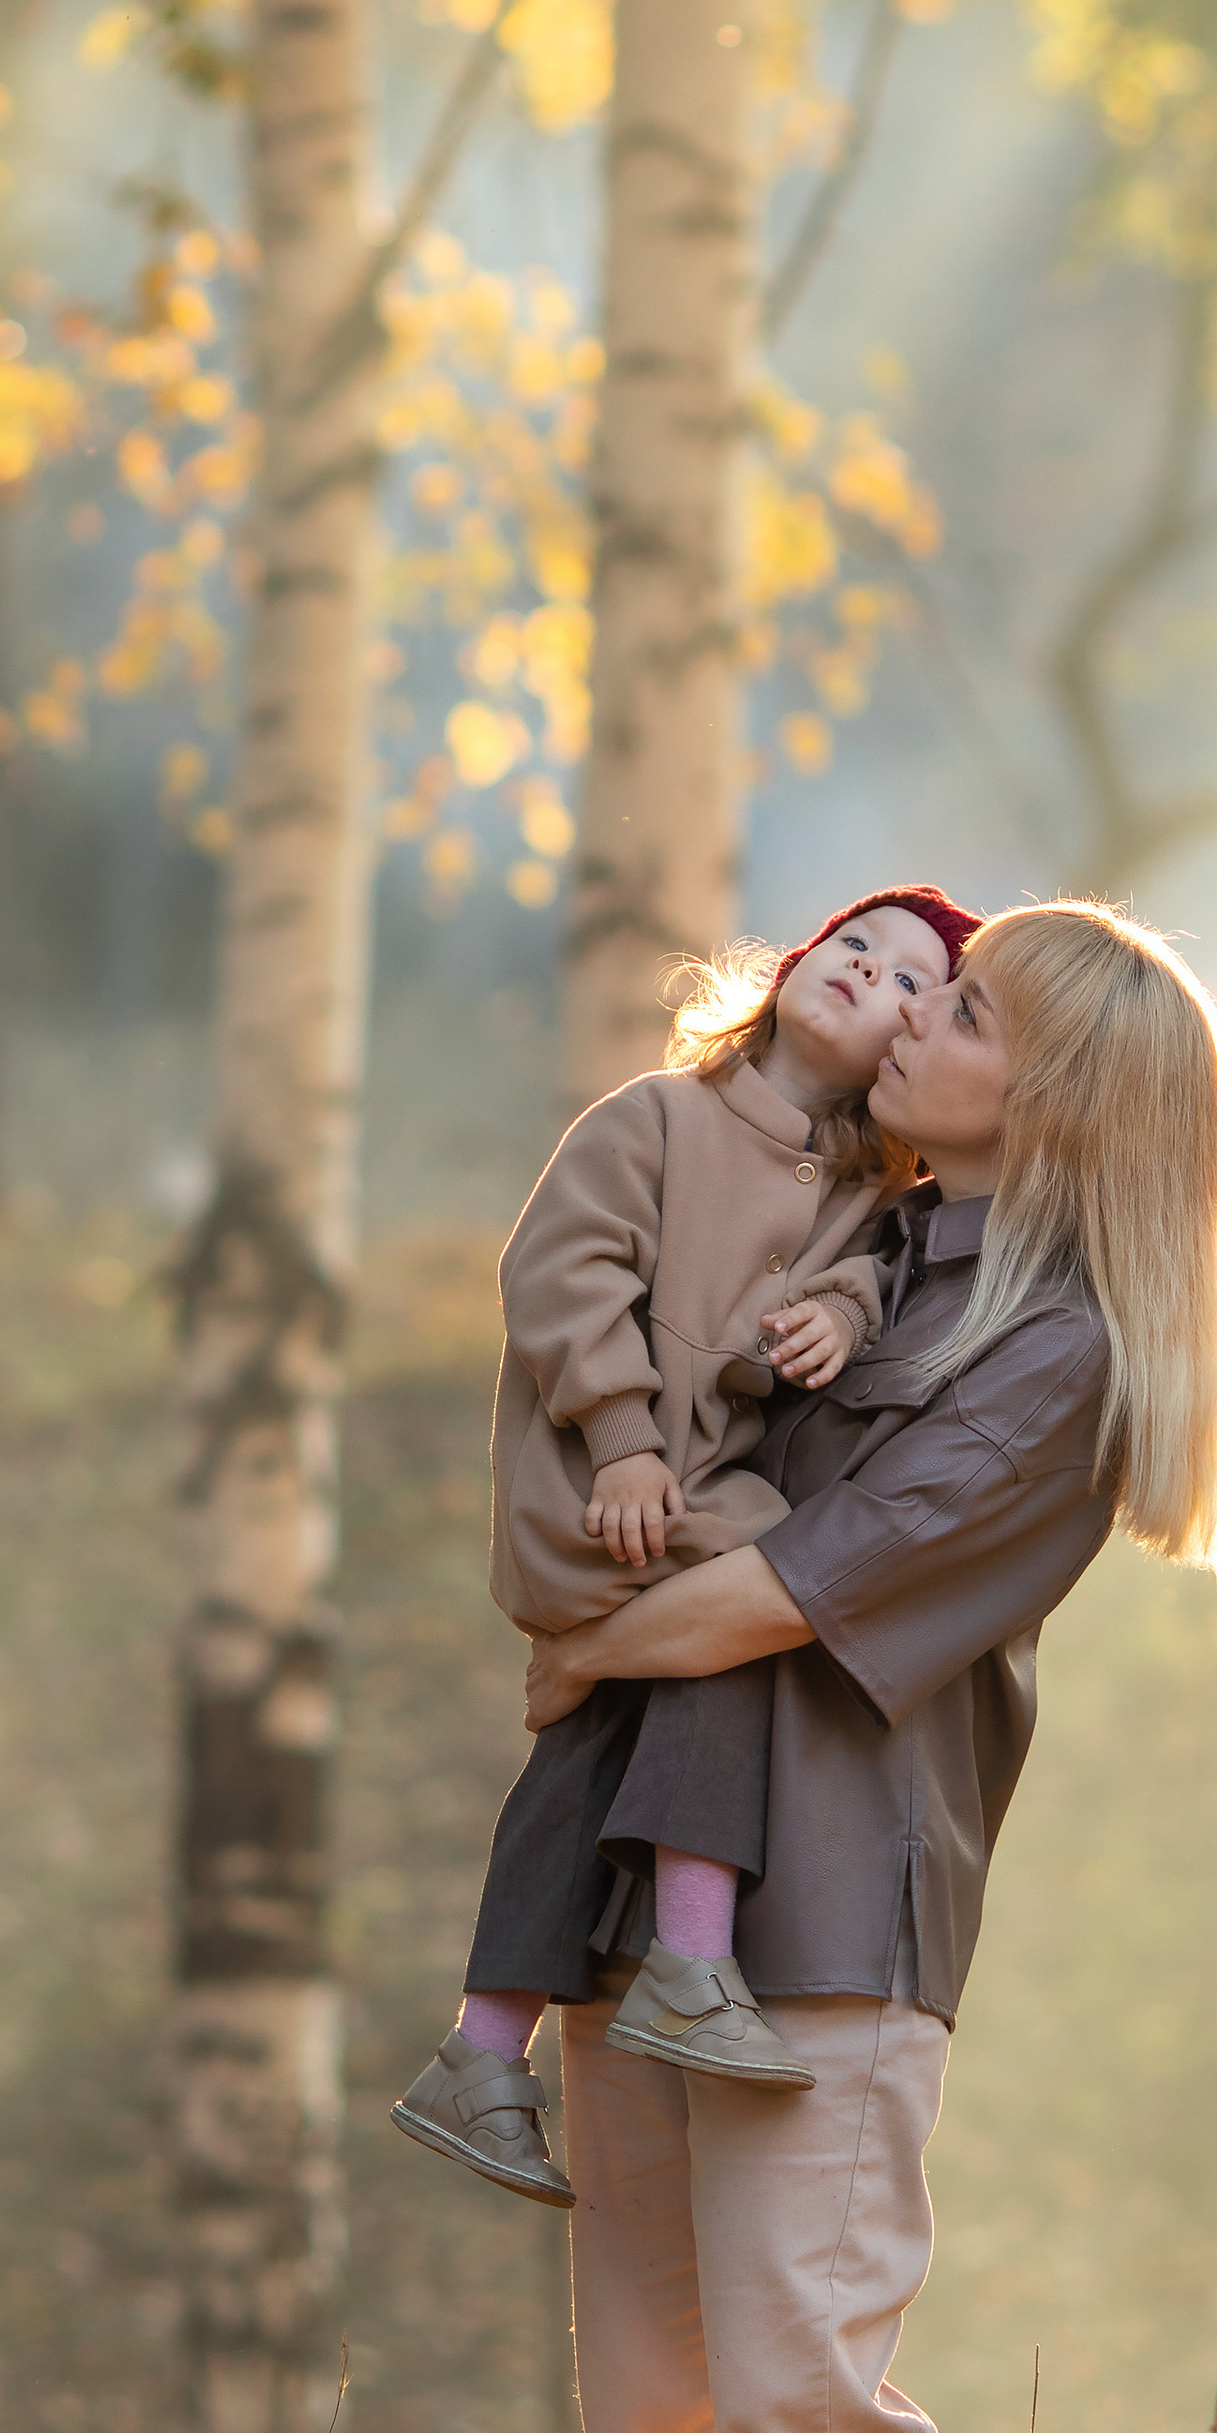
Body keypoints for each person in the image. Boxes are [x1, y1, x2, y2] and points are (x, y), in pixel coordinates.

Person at [514, 900, 1217, 2433]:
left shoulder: (1057, 1358)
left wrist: (579, 1652)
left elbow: (789, 1590)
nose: (917, 1015)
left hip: (830, 1923)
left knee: (799, 2398)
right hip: (639, 1886)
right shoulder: (847, 1244)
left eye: (968, 1009)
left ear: (1057, 1099)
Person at [392, 889, 981, 2201]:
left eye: (904, 982)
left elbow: (861, 1274)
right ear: (793, 965)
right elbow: (563, 1269)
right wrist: (620, 1436)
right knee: (761, 1603)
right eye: (856, 947)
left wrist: (833, 1311)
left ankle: (484, 2051)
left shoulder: (857, 1195)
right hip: (601, 1484)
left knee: (596, 1742)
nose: (867, 974)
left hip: (685, 1492)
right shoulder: (658, 1117)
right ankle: (692, 1959)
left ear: (906, 1042)